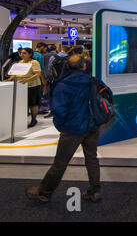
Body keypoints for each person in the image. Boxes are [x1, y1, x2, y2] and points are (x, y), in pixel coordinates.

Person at [25, 55, 102, 202]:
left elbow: (59, 110)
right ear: (84, 66)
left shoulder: (63, 84)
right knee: (92, 159)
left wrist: (61, 126)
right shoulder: (93, 81)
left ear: (67, 66)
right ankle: (95, 191)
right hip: (92, 126)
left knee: (60, 163)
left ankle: (44, 192)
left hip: (72, 129)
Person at [5, 48, 42, 128]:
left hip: (33, 86)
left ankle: (34, 119)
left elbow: (37, 74)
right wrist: (8, 80)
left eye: (24, 53)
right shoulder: (20, 62)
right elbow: (15, 73)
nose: (22, 54)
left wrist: (27, 79)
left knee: (33, 103)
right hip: (21, 86)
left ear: (30, 54)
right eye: (21, 53)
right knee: (24, 103)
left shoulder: (34, 62)